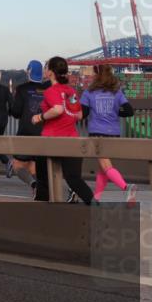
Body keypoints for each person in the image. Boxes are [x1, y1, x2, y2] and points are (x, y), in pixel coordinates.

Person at [31, 56, 94, 205]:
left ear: (51, 72)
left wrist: (39, 117)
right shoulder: (71, 92)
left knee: (43, 179)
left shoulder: (51, 91)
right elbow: (78, 115)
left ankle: (41, 214)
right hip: (72, 139)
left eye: (46, 67)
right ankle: (96, 206)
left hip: (51, 140)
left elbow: (58, 109)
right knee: (74, 179)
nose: (44, 70)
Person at [81, 64, 137, 205]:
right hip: (114, 134)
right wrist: (116, 112)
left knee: (106, 166)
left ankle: (126, 187)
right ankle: (97, 198)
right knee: (103, 167)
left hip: (97, 134)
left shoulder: (89, 92)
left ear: (97, 75)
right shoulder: (117, 92)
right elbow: (130, 111)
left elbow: (84, 113)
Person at [9, 60, 46, 199]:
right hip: (43, 133)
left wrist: (11, 106)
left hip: (26, 133)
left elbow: (16, 112)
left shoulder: (22, 89)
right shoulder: (46, 89)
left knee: (17, 166)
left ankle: (34, 185)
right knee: (33, 166)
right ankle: (40, 189)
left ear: (29, 71)